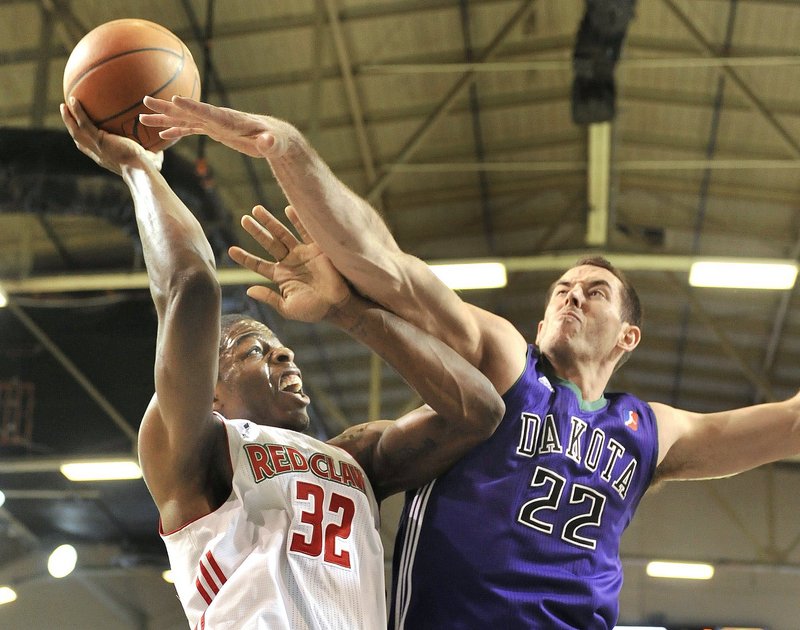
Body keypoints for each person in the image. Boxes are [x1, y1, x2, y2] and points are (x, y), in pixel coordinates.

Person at [138, 96, 800, 629]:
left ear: (627, 336)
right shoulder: (511, 360)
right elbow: (388, 267)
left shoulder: (652, 430)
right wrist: (288, 151)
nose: (572, 297)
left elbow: (787, 424)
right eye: (561, 290)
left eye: (593, 293)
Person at [60, 97, 505, 630]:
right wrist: (137, 170)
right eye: (253, 349)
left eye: (276, 346)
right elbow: (192, 283)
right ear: (213, 391)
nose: (284, 352)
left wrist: (348, 311)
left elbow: (479, 411)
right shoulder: (194, 448)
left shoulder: (355, 457)